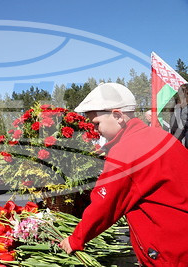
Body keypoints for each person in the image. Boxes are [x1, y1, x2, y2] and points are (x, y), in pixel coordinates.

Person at [59, 83, 188, 266]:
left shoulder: (126, 151)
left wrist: (75, 239)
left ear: (118, 115)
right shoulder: (159, 136)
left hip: (168, 250)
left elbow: (104, 206)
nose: (95, 130)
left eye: (97, 123)